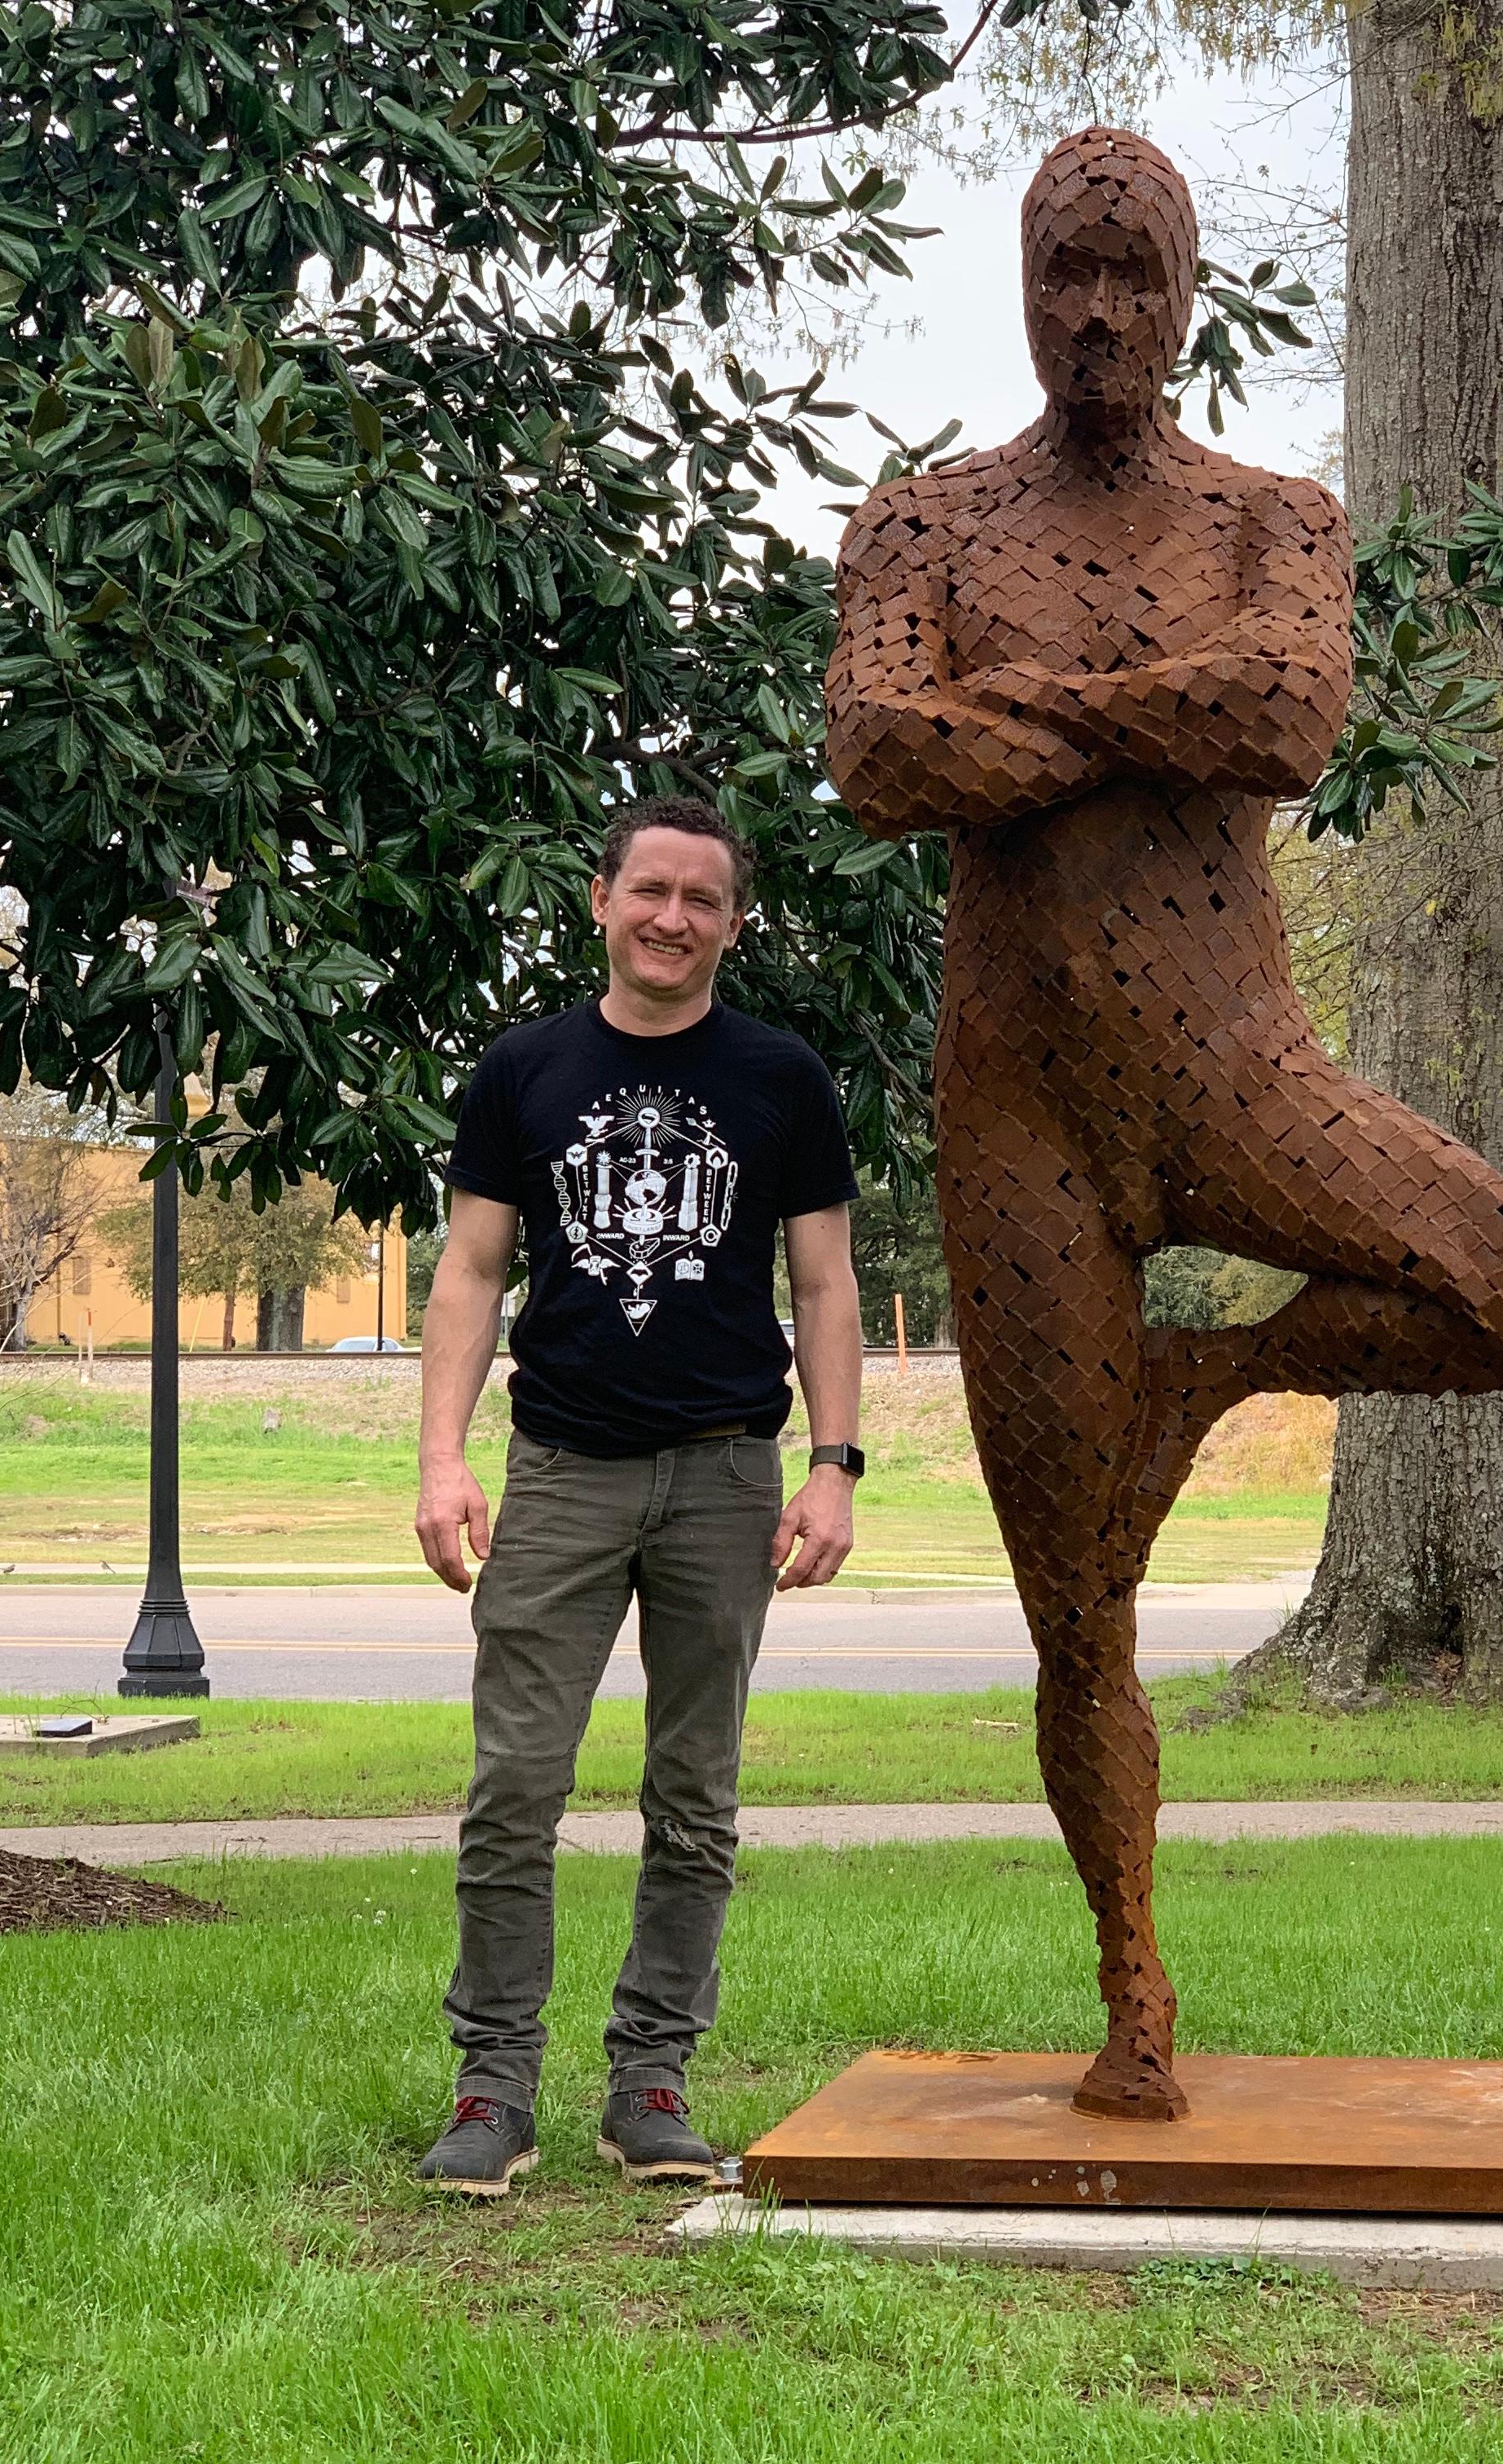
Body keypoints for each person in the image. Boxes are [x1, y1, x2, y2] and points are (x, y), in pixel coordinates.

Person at [824, 129, 1503, 2119]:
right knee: (1076, 1613)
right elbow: (877, 754)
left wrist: (1039, 718)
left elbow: (1293, 721)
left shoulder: (1277, 517)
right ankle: (1136, 1994)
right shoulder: (922, 528)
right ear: (1022, 280)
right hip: (1023, 1130)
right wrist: (1141, 708)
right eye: (1067, 271)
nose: (1099, 313)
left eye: (1136, 275)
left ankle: (1213, 1383)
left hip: (1241, 1076)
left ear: (1184, 293)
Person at [411, 794, 867, 2197]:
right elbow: (473, 1273)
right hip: (558, 1471)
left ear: (734, 922)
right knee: (513, 1791)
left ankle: (650, 2081)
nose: (673, 918)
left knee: (696, 1799)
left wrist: (834, 1466)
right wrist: (441, 1459)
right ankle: (494, 2090)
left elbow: (827, 1282)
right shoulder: (524, 1070)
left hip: (728, 1474)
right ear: (601, 898)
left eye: (703, 899)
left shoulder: (784, 1077)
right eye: (650, 890)